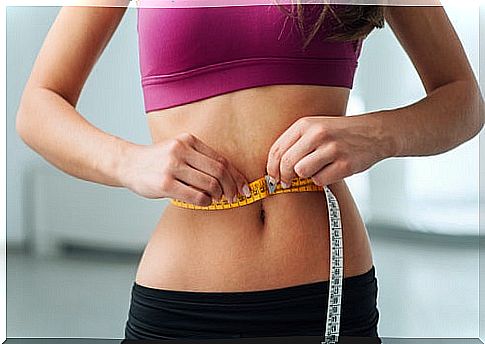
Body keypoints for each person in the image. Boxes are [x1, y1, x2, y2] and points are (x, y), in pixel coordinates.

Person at [15, 0, 484, 342]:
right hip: (184, 305)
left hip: (327, 298)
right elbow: (38, 107)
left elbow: (463, 100)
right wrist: (130, 162)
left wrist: (377, 134)